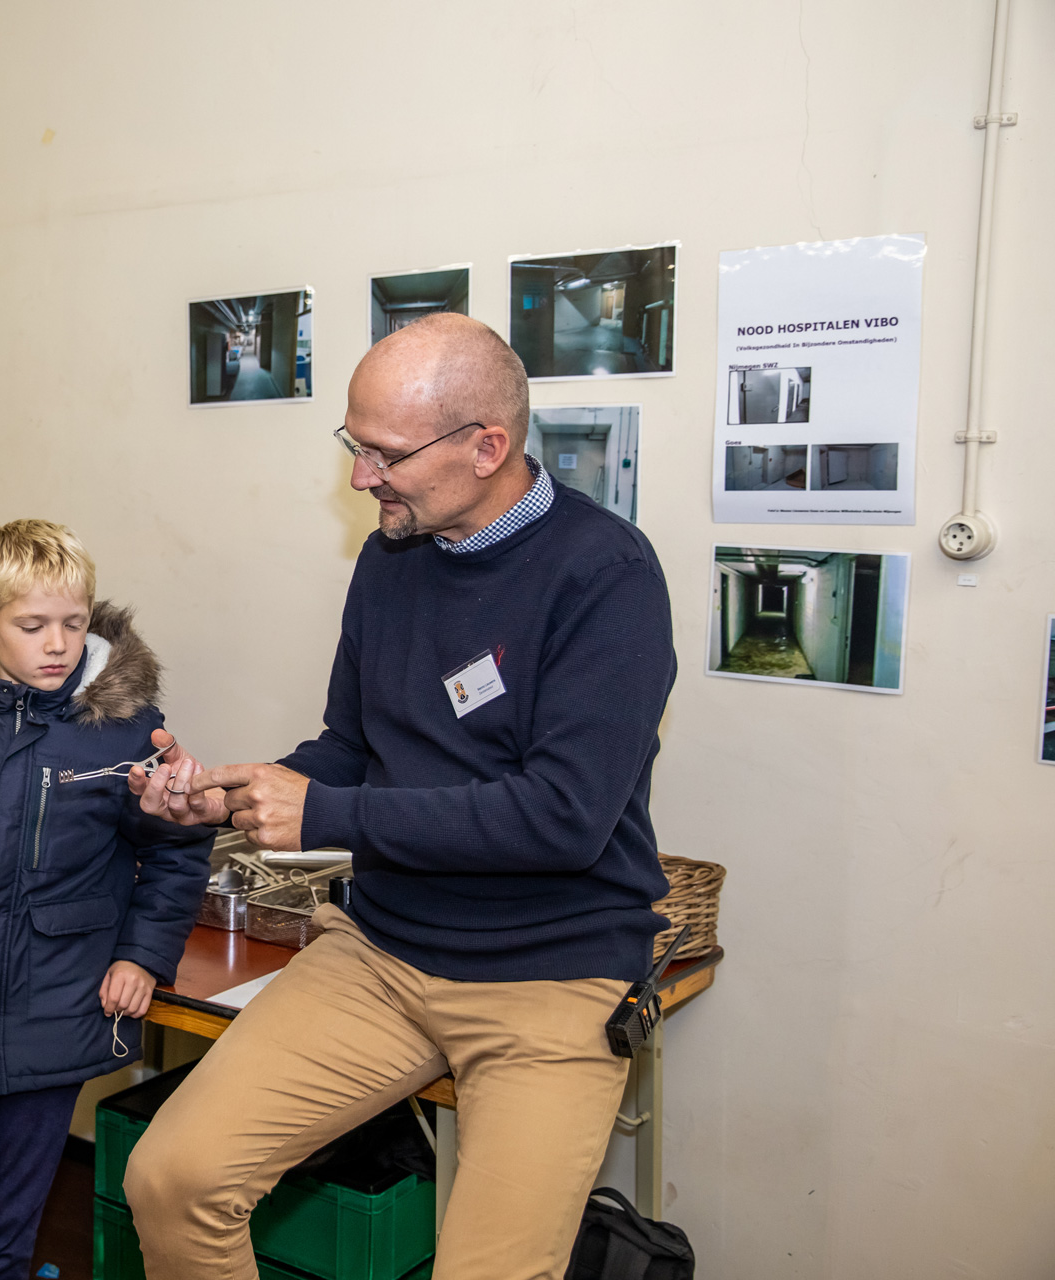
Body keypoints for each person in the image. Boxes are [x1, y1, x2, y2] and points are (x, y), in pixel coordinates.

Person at [120, 313, 678, 1280]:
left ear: (487, 447)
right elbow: (350, 748)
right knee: (175, 1177)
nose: (360, 478)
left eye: (383, 454)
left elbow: (563, 815)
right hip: (382, 953)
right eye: (353, 445)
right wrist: (235, 797)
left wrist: (323, 817)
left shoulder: (606, 574)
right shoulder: (391, 560)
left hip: (551, 976)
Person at [0, 519, 212, 1280]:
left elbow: (176, 849)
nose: (56, 643)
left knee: (13, 1236)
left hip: (59, 1004)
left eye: (72, 623)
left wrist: (142, 954)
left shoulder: (126, 729)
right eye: (31, 625)